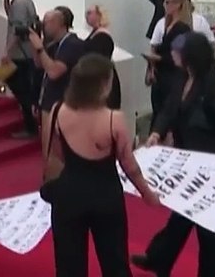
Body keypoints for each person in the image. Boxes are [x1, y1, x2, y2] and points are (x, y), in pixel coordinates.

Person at [136, 32, 215, 276]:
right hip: (187, 160)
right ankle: (159, 258)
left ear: (190, 55)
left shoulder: (211, 83)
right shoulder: (181, 79)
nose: (172, 54)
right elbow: (169, 110)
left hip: (212, 162)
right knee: (183, 214)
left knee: (210, 225)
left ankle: (212, 272)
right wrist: (156, 133)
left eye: (177, 51)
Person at [48, 55, 159, 276]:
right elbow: (129, 164)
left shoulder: (58, 111)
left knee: (69, 267)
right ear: (102, 85)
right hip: (105, 196)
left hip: (69, 195)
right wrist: (147, 193)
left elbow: (58, 154)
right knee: (115, 263)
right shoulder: (114, 118)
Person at [29, 7, 86, 157]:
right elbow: (39, 64)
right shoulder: (56, 45)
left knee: (56, 153)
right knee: (47, 151)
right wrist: (36, 45)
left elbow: (54, 72)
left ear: (58, 24)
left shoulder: (72, 44)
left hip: (60, 105)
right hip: (48, 103)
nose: (44, 25)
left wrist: (40, 48)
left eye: (47, 22)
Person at [3, 0, 40, 137]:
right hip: (28, 53)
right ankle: (30, 123)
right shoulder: (27, 2)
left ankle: (29, 126)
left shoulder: (19, 5)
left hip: (20, 54)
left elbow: (17, 30)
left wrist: (7, 52)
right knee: (25, 88)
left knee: (21, 89)